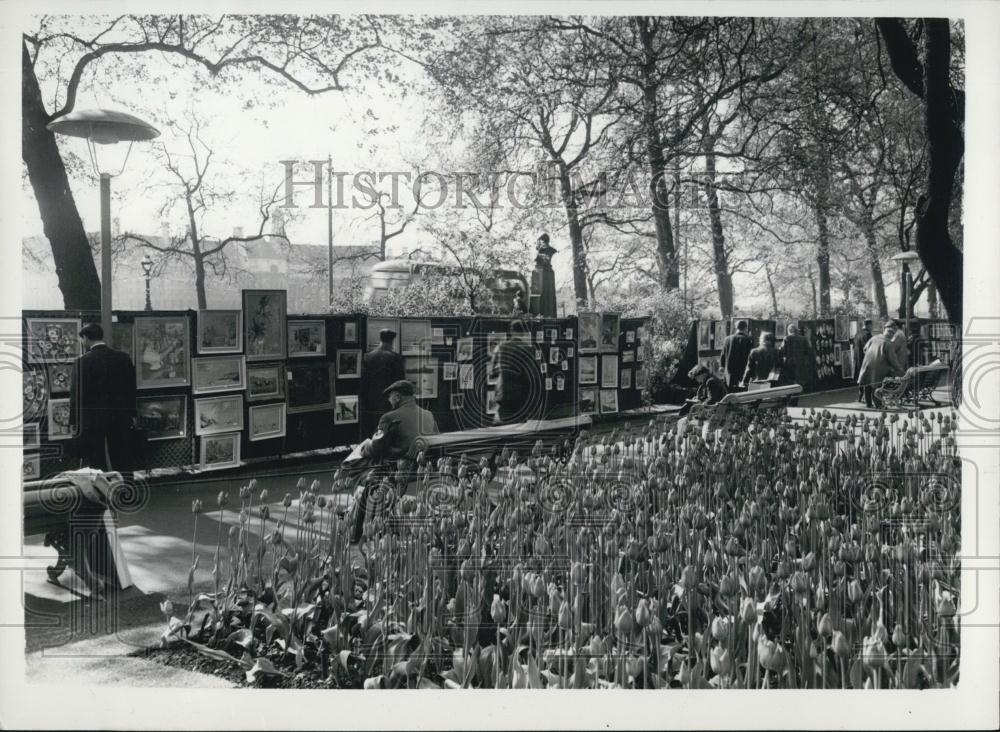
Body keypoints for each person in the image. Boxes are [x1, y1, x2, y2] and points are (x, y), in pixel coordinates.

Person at [349, 380, 439, 543]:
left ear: (397, 397)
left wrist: (363, 448)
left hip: (393, 471)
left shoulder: (389, 417)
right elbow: (435, 443)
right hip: (420, 469)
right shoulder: (428, 415)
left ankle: (356, 534)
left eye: (390, 397)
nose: (389, 401)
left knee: (363, 479)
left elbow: (376, 448)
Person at [69, 322, 137, 473]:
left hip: (93, 419)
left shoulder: (81, 362)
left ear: (85, 338)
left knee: (95, 458)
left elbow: (76, 395)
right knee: (122, 457)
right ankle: (126, 490)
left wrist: (74, 421)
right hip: (120, 416)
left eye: (82, 339)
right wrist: (133, 414)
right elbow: (131, 389)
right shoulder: (123, 358)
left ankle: (102, 491)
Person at [488, 320, 542, 425]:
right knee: (519, 428)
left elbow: (492, 370)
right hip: (521, 396)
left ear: (511, 331)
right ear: (523, 332)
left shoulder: (501, 347)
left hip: (503, 394)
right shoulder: (528, 349)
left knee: (504, 428)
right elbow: (533, 374)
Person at [360, 328, 405, 438]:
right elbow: (400, 384)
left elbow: (363, 382)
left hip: (370, 402)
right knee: (387, 434)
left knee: (372, 432)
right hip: (389, 403)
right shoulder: (396, 358)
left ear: (380, 339)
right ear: (392, 341)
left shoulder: (367, 357)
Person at [857, 322, 904, 408]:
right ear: (891, 334)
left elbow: (865, 349)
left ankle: (868, 403)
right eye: (892, 334)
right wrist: (900, 369)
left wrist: (870, 356)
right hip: (878, 367)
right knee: (876, 385)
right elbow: (892, 360)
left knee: (867, 384)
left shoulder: (874, 338)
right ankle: (878, 405)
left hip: (867, 364)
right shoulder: (888, 343)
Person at [779, 323, 815, 390]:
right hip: (801, 362)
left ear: (789, 330)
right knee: (799, 378)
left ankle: (792, 393)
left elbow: (782, 351)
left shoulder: (787, 338)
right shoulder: (804, 338)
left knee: (790, 379)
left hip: (790, 362)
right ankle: (798, 391)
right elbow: (808, 351)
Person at [720, 320, 753, 391]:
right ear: (746, 328)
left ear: (736, 327)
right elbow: (749, 356)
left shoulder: (727, 339)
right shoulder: (748, 340)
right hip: (742, 371)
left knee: (729, 391)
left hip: (729, 371)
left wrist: (722, 366)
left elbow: (723, 354)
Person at [853, 319, 873, 402]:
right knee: (866, 378)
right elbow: (869, 348)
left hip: (857, 359)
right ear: (868, 325)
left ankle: (860, 395)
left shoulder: (857, 334)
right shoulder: (868, 335)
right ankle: (866, 397)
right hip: (865, 359)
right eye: (871, 325)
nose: (872, 327)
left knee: (860, 377)